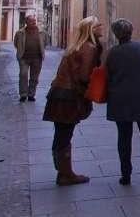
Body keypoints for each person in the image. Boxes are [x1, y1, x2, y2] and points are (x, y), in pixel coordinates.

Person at [43, 16, 103, 186]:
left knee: (60, 134)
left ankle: (63, 171)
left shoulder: (75, 47)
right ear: (91, 30)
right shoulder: (89, 48)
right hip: (69, 98)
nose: (101, 27)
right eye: (98, 25)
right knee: (65, 134)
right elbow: (84, 76)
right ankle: (66, 174)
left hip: (58, 94)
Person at [105, 19, 140, 185]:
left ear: (116, 35)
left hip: (121, 100)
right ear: (131, 31)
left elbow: (108, 76)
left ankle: (126, 175)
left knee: (124, 138)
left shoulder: (113, 53)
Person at [14, 15, 45, 102]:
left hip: (37, 58)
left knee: (34, 77)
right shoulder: (20, 33)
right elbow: (16, 43)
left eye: (34, 21)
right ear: (26, 22)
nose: (34, 23)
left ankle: (31, 94)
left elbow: (44, 43)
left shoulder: (41, 32)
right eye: (31, 21)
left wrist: (41, 52)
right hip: (24, 58)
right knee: (23, 75)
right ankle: (23, 94)